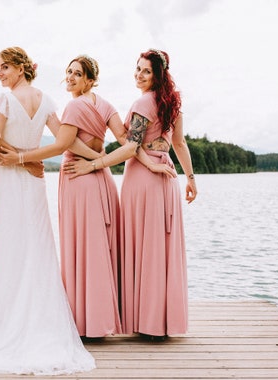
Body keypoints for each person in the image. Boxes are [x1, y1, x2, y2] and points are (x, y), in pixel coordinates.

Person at [0, 47, 95, 375]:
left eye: (5, 67)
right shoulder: (47, 100)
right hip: (32, 183)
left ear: (22, 67)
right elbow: (65, 142)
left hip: (11, 182)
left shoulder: (4, 101)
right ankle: (39, 323)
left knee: (12, 249)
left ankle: (8, 325)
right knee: (36, 249)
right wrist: (35, 158)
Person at [65, 49, 198, 341]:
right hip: (167, 175)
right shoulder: (172, 104)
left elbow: (129, 147)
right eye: (137, 69)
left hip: (142, 178)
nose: (139, 75)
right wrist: (189, 178)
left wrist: (95, 164)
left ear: (158, 75)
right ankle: (160, 322)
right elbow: (179, 144)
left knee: (143, 247)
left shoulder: (142, 103)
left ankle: (147, 322)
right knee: (160, 247)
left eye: (146, 71)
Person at [0, 54, 124, 338]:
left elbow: (63, 144)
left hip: (78, 176)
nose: (69, 77)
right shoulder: (106, 106)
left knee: (80, 249)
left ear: (90, 79)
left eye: (76, 74)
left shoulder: (75, 105)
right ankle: (102, 320)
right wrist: (103, 160)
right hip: (102, 179)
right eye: (68, 72)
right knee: (100, 249)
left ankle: (84, 322)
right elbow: (128, 142)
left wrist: (20, 157)